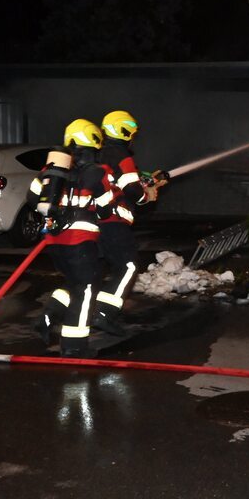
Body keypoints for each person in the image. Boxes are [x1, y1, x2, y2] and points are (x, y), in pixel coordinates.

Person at [27, 119, 118, 357]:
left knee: (74, 284)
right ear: (94, 142)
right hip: (80, 242)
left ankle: (48, 316)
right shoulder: (97, 173)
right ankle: (74, 346)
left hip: (55, 242)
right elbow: (106, 209)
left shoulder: (51, 170)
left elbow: (31, 198)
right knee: (87, 289)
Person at [92, 109, 164, 334]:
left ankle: (73, 311)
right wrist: (148, 194)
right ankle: (104, 313)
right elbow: (133, 191)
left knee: (94, 271)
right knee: (128, 267)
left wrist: (146, 180)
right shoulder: (122, 156)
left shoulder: (99, 154)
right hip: (113, 222)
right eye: (131, 132)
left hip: (93, 222)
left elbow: (118, 182)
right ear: (123, 130)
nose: (133, 137)